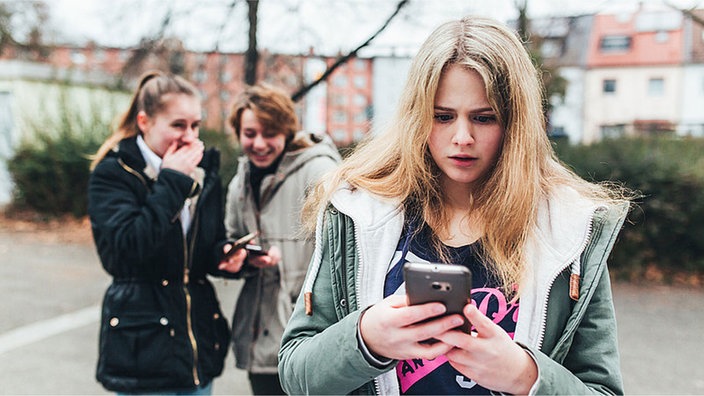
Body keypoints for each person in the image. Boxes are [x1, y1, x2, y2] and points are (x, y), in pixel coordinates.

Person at [278, 16, 634, 395]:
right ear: (417, 115)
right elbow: (296, 374)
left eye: (484, 118)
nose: (462, 137)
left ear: (515, 123)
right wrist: (366, 338)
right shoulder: (358, 211)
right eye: (443, 116)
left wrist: (527, 376)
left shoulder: (569, 227)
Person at [88, 71, 247, 395]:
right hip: (143, 350)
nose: (189, 136)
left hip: (197, 349)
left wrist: (225, 257)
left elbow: (203, 248)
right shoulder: (114, 174)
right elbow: (126, 250)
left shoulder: (204, 173)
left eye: (195, 125)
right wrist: (172, 181)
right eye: (178, 125)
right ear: (144, 122)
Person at [224, 83, 341, 395]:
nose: (259, 143)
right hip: (259, 336)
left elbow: (345, 254)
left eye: (270, 133)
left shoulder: (320, 172)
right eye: (250, 134)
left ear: (287, 131)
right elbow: (232, 238)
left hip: (309, 337)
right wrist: (243, 259)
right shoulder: (240, 182)